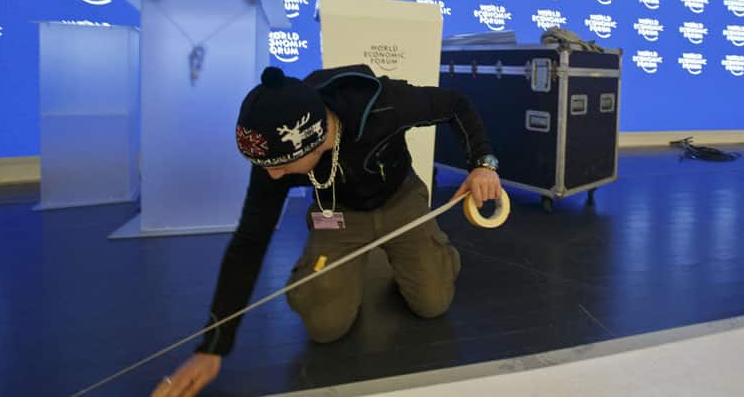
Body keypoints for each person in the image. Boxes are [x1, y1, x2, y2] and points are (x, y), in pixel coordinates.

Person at [152, 64, 502, 397]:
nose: (273, 176)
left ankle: (434, 254)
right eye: (265, 166)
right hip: (337, 214)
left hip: (400, 199)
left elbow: (456, 104)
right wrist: (214, 347)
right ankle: (340, 269)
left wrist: (483, 165)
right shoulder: (274, 156)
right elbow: (249, 241)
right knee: (325, 325)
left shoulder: (384, 105)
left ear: (314, 139)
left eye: (284, 165)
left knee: (433, 302)